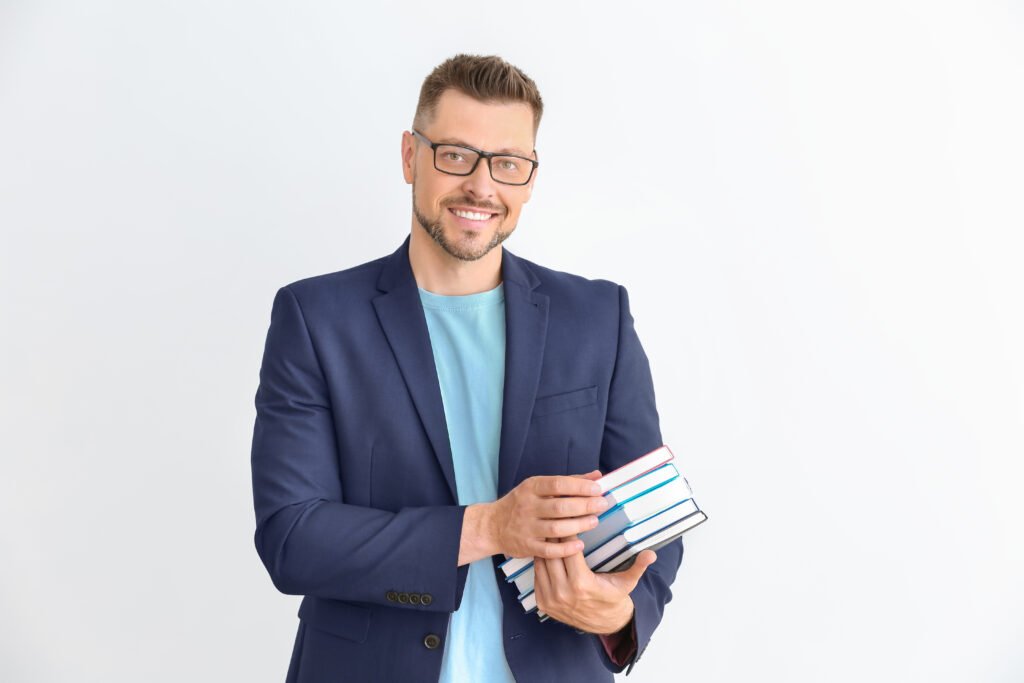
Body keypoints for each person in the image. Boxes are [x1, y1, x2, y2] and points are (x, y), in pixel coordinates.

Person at [250, 53, 683, 683]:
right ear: (410, 157)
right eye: (456, 154)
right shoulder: (316, 319)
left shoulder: (598, 316)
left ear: (529, 178)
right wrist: (488, 526)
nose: (482, 186)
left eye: (507, 164)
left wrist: (617, 613)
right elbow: (293, 538)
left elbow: (652, 520)